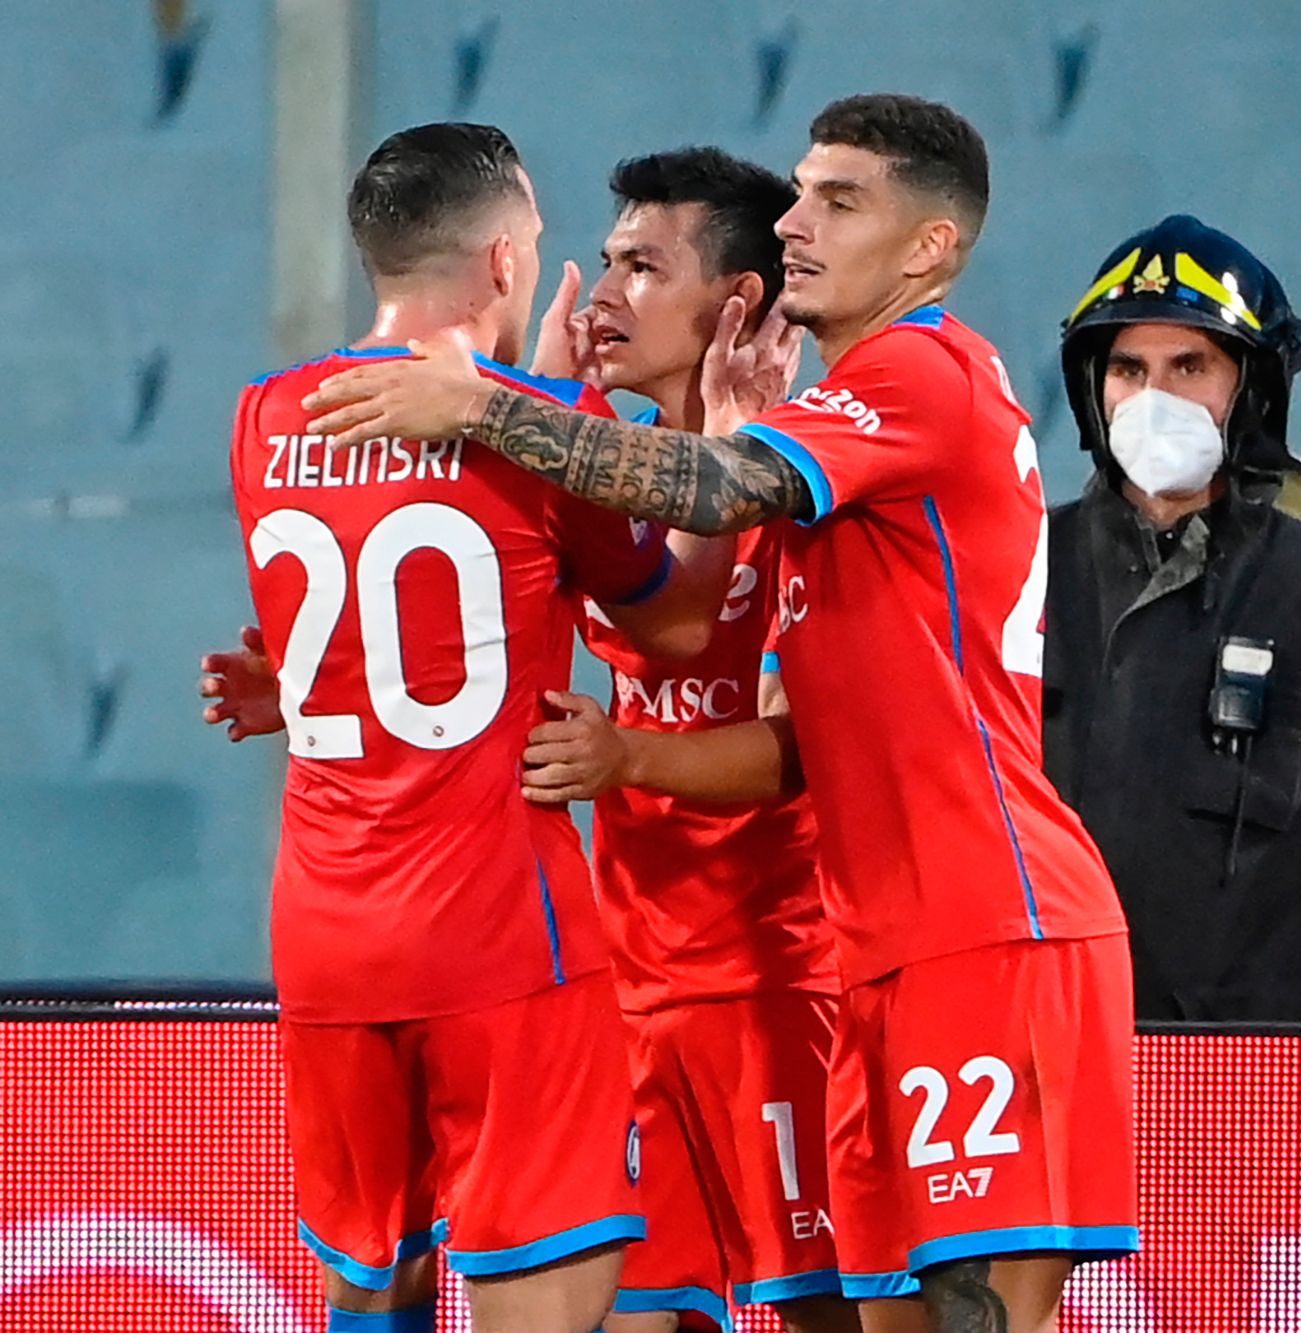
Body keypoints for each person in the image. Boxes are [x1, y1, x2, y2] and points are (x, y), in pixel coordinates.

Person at [299, 94, 1138, 1333]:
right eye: (800, 193)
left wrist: (487, 404)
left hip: (983, 924)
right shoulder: (841, 442)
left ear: (929, 248)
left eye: (838, 200)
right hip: (866, 948)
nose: (797, 221)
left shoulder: (921, 371)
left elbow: (722, 494)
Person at [207, 147, 852, 1333]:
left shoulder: (263, 415)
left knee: (371, 1275)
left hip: (352, 934)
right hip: (517, 942)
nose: (596, 289)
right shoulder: (546, 434)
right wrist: (552, 411)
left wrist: (307, 687)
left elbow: (424, 643)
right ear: (505, 259)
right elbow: (669, 620)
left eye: (635, 264)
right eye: (586, 255)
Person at [1042, 215, 1301, 1023]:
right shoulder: (1013, 571)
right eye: (1128, 368)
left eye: (1190, 365)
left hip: (1254, 1087)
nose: (1153, 396)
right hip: (1039, 1061)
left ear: (1255, 389)